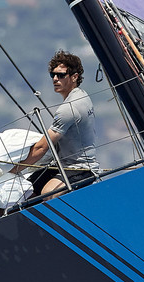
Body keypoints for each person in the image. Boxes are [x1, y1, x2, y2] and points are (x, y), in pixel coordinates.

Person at [11, 51, 100, 198]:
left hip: (81, 168)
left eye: (61, 75)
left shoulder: (69, 108)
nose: (55, 79)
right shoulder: (82, 95)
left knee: (49, 193)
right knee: (24, 192)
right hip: (62, 165)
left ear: (74, 77)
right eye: (53, 75)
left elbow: (42, 147)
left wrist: (15, 169)